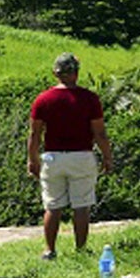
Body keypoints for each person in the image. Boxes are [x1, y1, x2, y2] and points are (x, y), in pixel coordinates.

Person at [28, 53, 114, 260]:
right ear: (76, 73)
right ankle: (81, 249)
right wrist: (107, 156)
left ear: (55, 73)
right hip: (82, 156)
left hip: (53, 157)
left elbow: (35, 134)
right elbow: (99, 133)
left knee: (52, 205)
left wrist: (32, 159)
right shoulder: (90, 99)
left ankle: (50, 250)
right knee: (81, 205)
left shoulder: (43, 99)